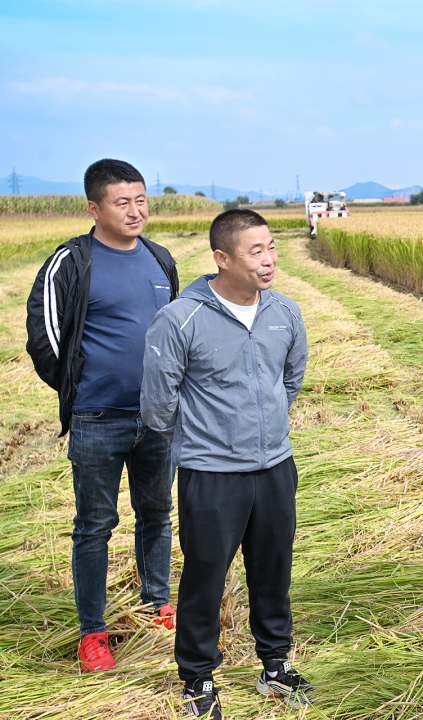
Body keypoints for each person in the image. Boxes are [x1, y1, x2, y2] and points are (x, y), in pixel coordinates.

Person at [141, 209, 310, 719]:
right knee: (206, 576)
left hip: (276, 466)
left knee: (274, 570)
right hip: (211, 473)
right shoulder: (180, 318)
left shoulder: (285, 312)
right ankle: (197, 676)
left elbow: (290, 381)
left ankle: (274, 665)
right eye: (255, 251)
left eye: (272, 248)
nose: (269, 259)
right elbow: (157, 406)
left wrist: (264, 425)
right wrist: (209, 438)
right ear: (222, 258)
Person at [25, 159, 178, 673]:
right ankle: (93, 633)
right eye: (122, 202)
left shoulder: (160, 259)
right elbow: (44, 338)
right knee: (94, 526)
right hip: (97, 419)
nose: (136, 211)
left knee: (156, 514)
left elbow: (175, 332)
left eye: (141, 200)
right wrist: (80, 390)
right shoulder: (71, 261)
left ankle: (158, 603)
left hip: (157, 418)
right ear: (94, 208)